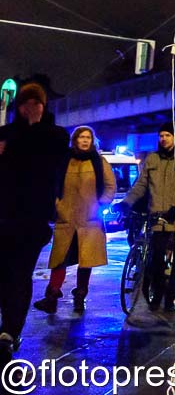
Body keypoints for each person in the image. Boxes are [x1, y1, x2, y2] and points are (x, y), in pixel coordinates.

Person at [0, 83, 68, 361]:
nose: (32, 107)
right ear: (19, 106)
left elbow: (48, 155)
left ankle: (10, 330)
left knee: (19, 275)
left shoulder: (53, 135)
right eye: (27, 102)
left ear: (44, 106)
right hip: (4, 216)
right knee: (5, 275)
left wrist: (14, 145)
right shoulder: (7, 133)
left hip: (32, 221)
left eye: (37, 103)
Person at [34, 126, 115, 314]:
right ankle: (51, 297)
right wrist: (57, 205)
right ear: (75, 140)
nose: (85, 140)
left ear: (92, 141)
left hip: (90, 221)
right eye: (81, 137)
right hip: (66, 219)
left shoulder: (99, 162)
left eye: (88, 137)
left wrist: (100, 203)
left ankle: (80, 296)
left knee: (85, 261)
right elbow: (54, 184)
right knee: (59, 260)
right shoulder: (65, 161)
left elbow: (110, 186)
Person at [119, 128, 175, 313]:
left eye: (167, 135)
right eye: (161, 136)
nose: (163, 139)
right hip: (159, 218)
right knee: (156, 260)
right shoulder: (152, 158)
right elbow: (141, 184)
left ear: (174, 137)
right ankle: (156, 294)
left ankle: (170, 299)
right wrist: (127, 202)